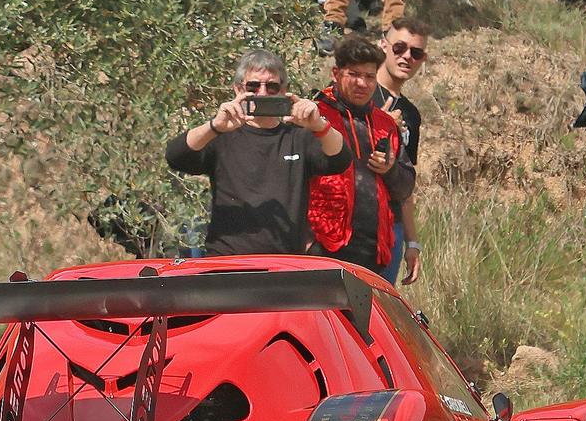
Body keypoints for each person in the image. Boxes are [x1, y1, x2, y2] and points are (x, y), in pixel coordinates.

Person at [165, 49, 346, 255]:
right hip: (228, 262)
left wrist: (319, 125)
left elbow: (340, 160)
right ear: (237, 89)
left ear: (283, 90)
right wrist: (214, 126)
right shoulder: (222, 135)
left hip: (285, 265)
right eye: (253, 86)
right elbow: (176, 156)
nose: (262, 93)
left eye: (271, 86)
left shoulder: (299, 136)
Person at [308, 36, 409, 275]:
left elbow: (405, 188)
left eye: (370, 76)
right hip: (324, 250)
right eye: (353, 74)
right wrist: (307, 242)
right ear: (336, 73)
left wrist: (391, 170)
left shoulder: (386, 124)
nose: (362, 83)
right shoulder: (314, 117)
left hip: (375, 254)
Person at [374, 18, 430, 285]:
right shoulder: (360, 93)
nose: (407, 56)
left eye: (415, 52)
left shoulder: (411, 114)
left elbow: (406, 185)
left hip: (392, 229)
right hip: (352, 222)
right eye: (399, 47)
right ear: (383, 46)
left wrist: (413, 242)